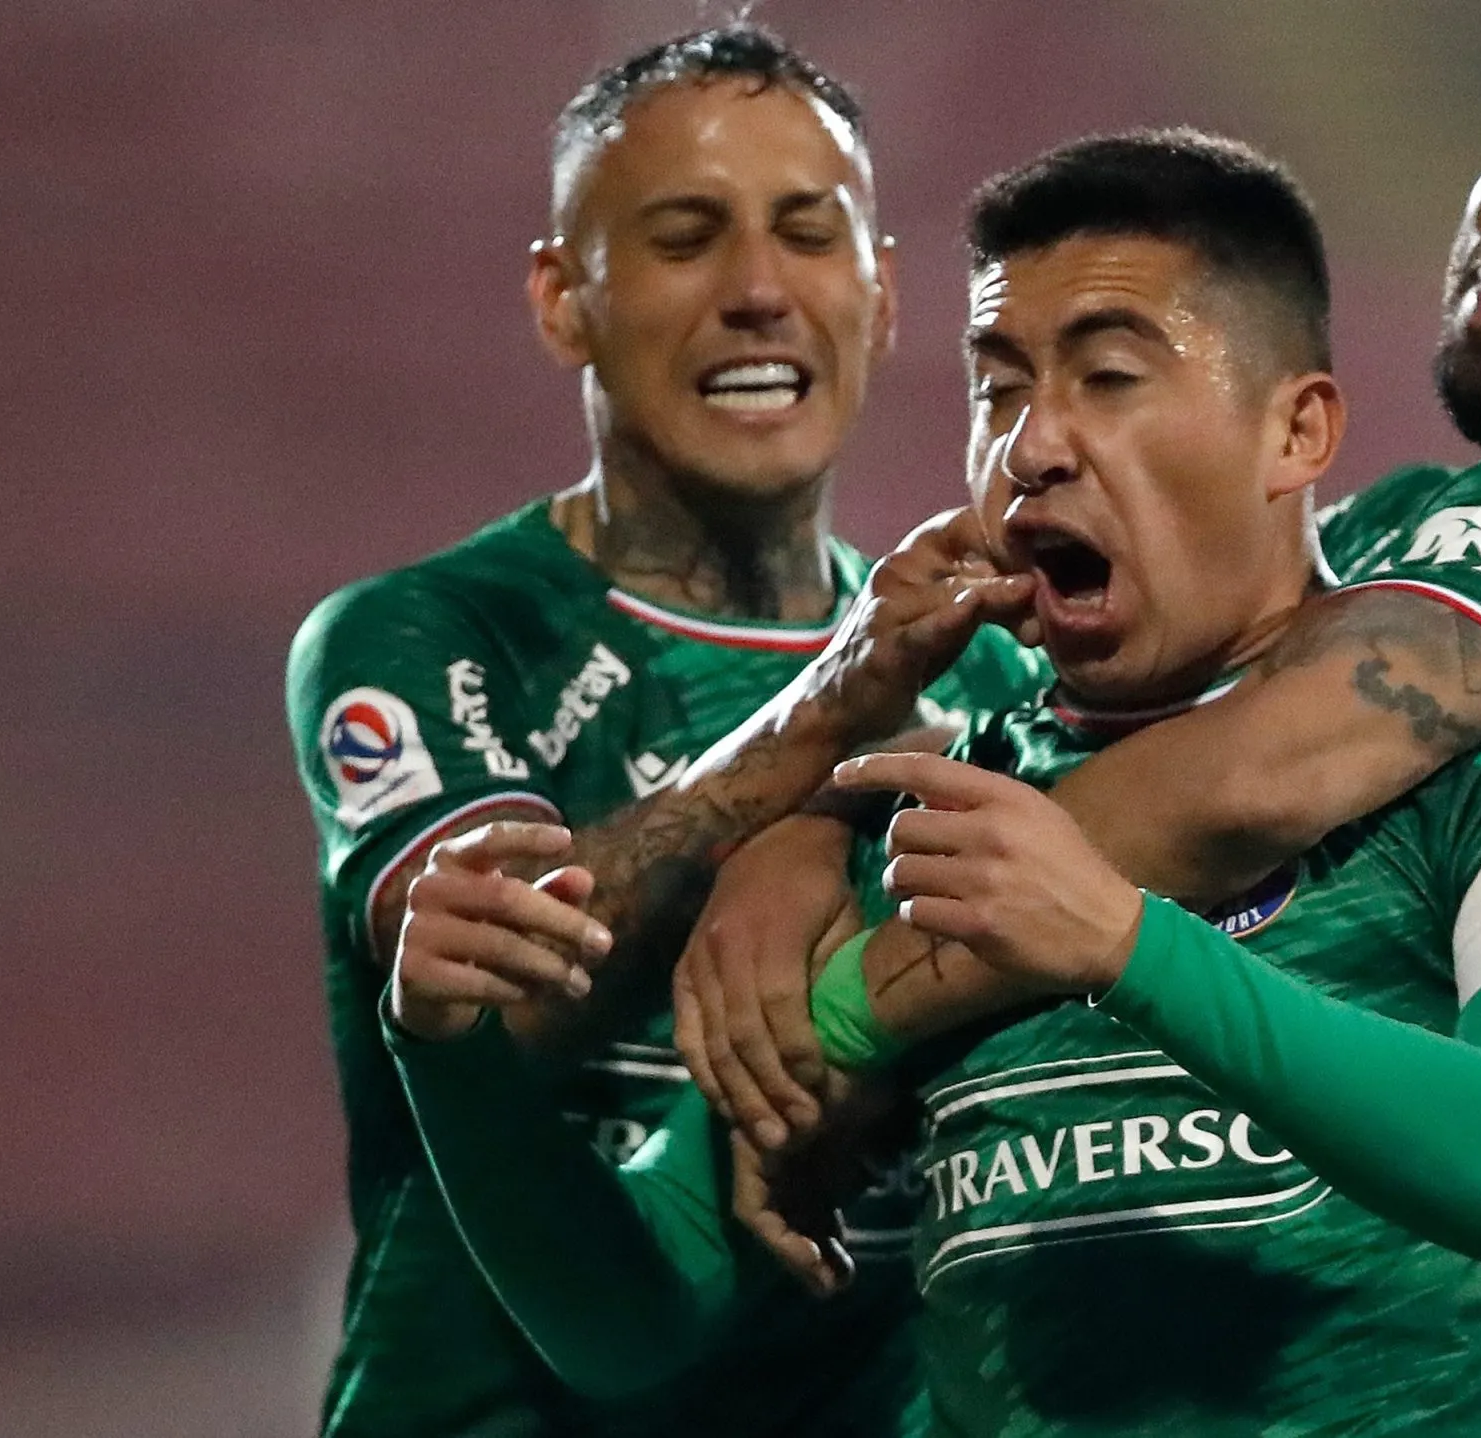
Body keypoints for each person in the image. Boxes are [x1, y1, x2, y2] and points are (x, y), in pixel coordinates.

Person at [387, 128, 1481, 1436]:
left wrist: (1128, 947)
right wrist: (446, 1053)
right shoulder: (915, 825)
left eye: (1109, 377)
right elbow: (629, 1314)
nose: (1034, 446)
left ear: (1296, 429)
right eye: (997, 390)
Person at [675, 0, 1481, 1381]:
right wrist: (798, 839)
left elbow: (1243, 780)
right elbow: (1017, 732)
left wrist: (835, 1013)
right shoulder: (1413, 538)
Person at [283, 25, 1041, 1437]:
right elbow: (485, 1000)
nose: (758, 291)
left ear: (880, 298)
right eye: (689, 238)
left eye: (809, 236)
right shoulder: (432, 635)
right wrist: (836, 713)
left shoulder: (997, 674)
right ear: (566, 298)